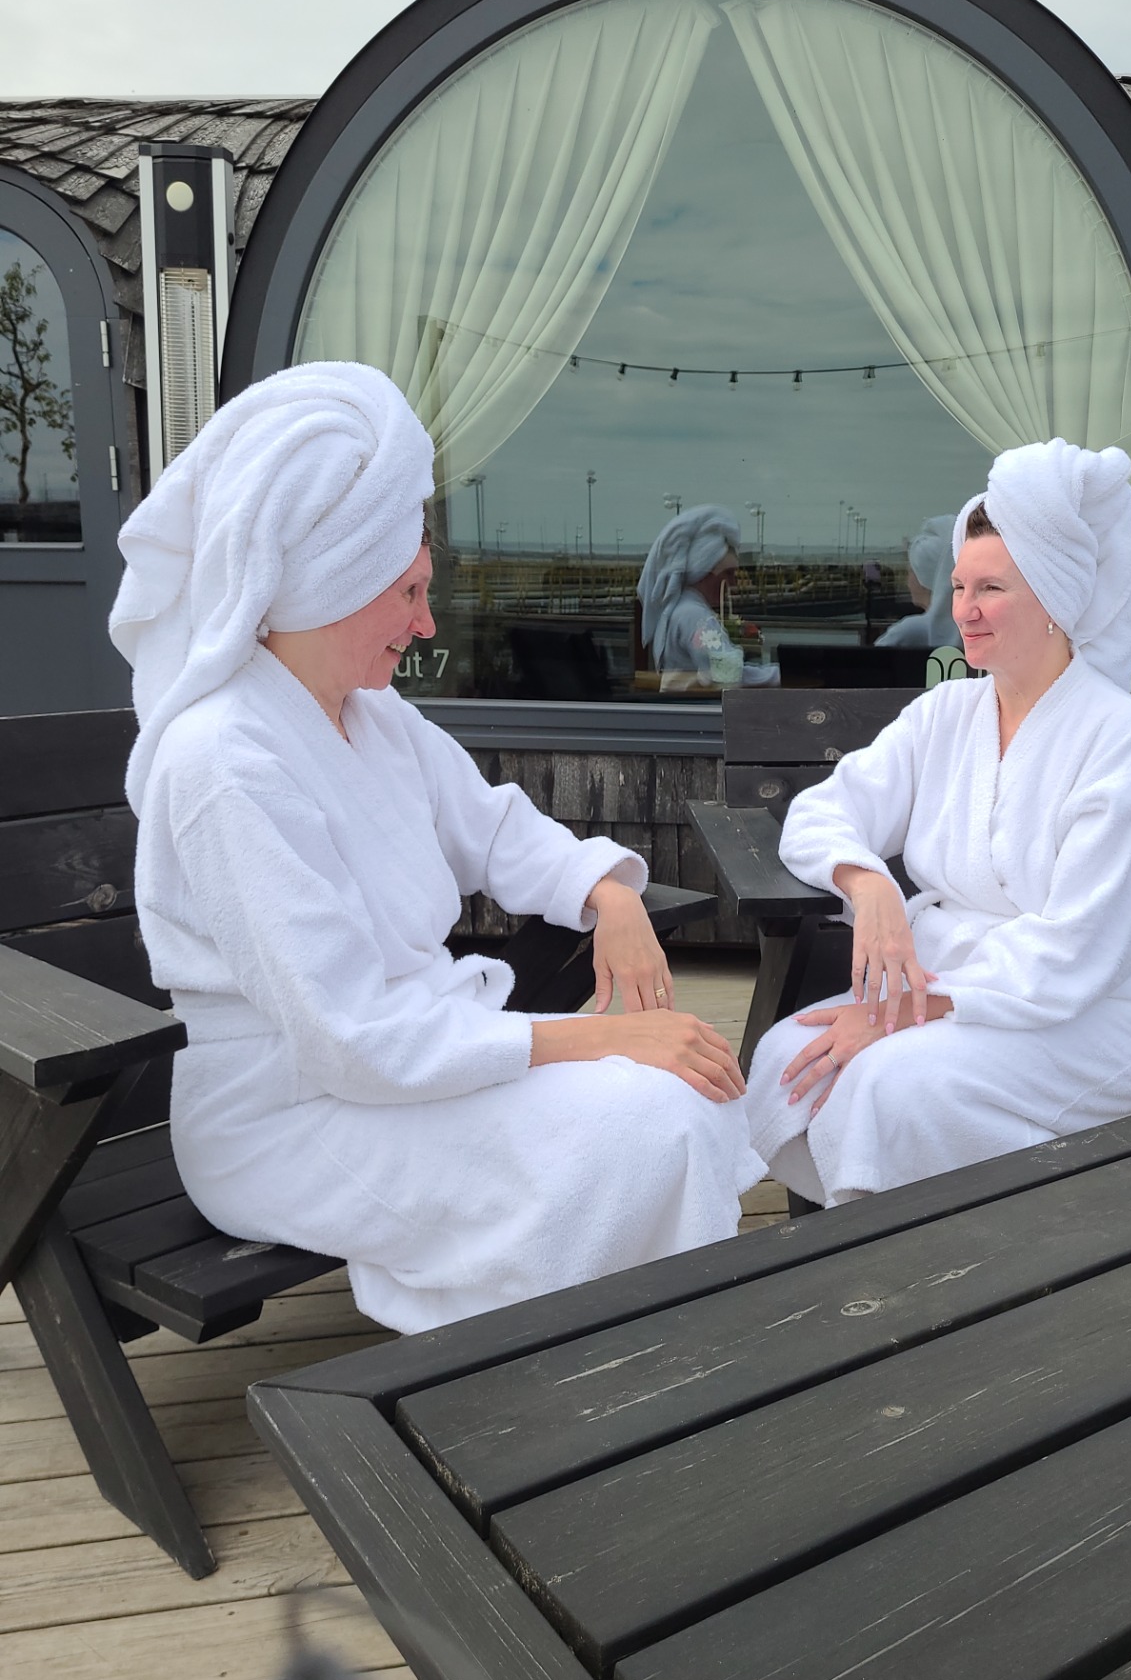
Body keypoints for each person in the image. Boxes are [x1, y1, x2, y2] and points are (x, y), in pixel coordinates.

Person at [110, 363, 764, 1334]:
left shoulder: (371, 717)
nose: (424, 622)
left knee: (685, 1093)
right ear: (328, 585)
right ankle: (544, 1360)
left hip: (418, 1066)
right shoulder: (225, 763)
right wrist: (605, 1035)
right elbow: (349, 1039)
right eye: (409, 591)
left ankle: (616, 1341)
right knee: (648, 1120)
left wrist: (608, 894)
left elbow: (495, 828)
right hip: (293, 1118)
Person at [743, 439, 1131, 1207]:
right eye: (958, 585)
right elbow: (824, 811)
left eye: (991, 589)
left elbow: (1079, 947)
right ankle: (890, 1227)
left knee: (886, 1083)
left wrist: (903, 1013)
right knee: (790, 1055)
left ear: (1053, 598)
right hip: (952, 979)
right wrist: (869, 886)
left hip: (1097, 1011)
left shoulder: (1124, 739)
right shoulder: (946, 713)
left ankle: (928, 1248)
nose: (964, 611)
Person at [636, 506, 779, 689]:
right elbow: (728, 673)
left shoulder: (678, 609)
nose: (733, 583)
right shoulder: (696, 617)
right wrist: (780, 675)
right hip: (701, 706)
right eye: (728, 573)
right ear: (703, 571)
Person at [874, 514, 961, 649]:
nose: (907, 581)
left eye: (910, 571)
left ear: (924, 578)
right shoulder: (966, 631)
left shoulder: (910, 632)